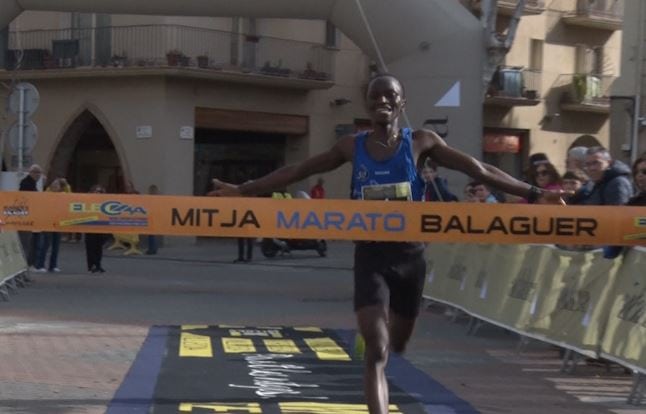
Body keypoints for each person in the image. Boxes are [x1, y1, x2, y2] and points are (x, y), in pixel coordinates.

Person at [208, 73, 563, 414]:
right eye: (375, 95)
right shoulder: (351, 145)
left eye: (389, 95)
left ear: (401, 102)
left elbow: (479, 170)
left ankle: (386, 335)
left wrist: (536, 194)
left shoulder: (422, 142)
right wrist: (244, 189)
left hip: (410, 257)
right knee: (376, 352)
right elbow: (297, 171)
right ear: (366, 103)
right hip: (371, 255)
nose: (381, 100)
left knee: (398, 343)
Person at [35, 178, 65, 272]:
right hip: (47, 222)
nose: (54, 185)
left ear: (60, 187)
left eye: (57, 184)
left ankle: (53, 265)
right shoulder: (46, 194)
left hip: (58, 223)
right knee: (45, 245)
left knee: (56, 245)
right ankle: (40, 265)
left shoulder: (63, 196)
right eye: (53, 183)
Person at [18, 164, 44, 268]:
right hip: (26, 218)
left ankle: (29, 264)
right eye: (37, 173)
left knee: (32, 243)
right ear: (32, 173)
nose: (39, 175)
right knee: (26, 243)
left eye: (39, 173)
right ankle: (25, 265)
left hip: (32, 217)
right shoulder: (27, 183)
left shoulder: (32, 183)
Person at [85, 184, 108, 273]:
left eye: (100, 191)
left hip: (100, 226)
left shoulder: (104, 202)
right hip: (90, 226)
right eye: (96, 191)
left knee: (99, 247)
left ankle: (98, 264)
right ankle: (91, 265)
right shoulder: (88, 201)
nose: (98, 193)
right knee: (90, 246)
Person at [145, 184, 160, 255]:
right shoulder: (158, 199)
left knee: (151, 235)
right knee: (153, 235)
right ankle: (154, 249)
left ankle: (151, 249)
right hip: (156, 218)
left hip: (151, 218)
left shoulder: (150, 199)